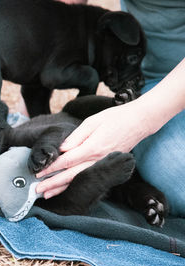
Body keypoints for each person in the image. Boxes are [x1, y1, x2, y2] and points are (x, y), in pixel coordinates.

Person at [36, 0, 185, 217]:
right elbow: (62, 11)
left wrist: (139, 120)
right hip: (156, 81)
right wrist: (34, 94)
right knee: (177, 180)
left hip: (161, 100)